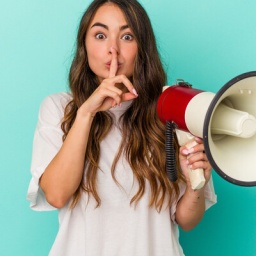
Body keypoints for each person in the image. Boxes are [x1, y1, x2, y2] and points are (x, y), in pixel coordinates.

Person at [27, 0, 217, 255]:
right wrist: (86, 113)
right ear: (84, 44)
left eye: (127, 36)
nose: (113, 49)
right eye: (100, 35)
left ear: (142, 48)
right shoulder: (60, 108)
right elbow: (57, 195)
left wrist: (197, 182)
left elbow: (186, 220)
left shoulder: (170, 109)